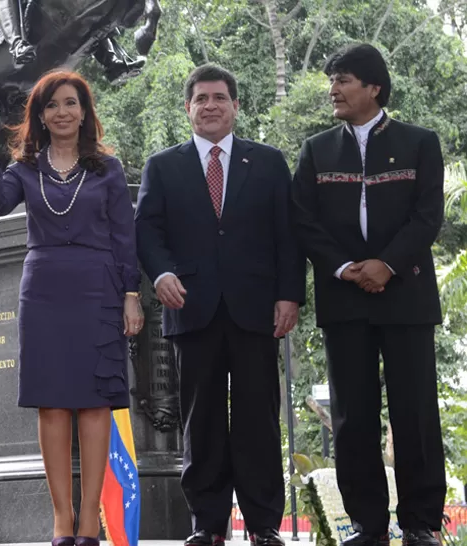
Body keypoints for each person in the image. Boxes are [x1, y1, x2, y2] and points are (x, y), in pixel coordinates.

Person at [0, 70, 143, 544]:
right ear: (40, 116)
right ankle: (61, 518)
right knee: (52, 405)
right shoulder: (25, 168)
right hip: (43, 291)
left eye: (70, 103)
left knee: (93, 404)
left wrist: (131, 295)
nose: (62, 112)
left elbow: (126, 237)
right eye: (52, 105)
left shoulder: (107, 168)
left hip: (99, 291)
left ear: (84, 112)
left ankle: (90, 520)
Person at [134, 64, 305, 546]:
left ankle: (263, 523)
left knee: (258, 417)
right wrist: (163, 272)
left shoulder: (268, 162)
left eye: (219, 97)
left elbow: (287, 236)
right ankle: (207, 524)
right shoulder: (163, 166)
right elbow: (147, 230)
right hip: (192, 308)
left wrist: (289, 293)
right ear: (187, 107)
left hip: (257, 311)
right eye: (200, 98)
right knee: (201, 419)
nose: (209, 105)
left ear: (235, 105)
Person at [290, 43, 445, 546]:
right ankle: (367, 525)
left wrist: (387, 265)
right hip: (345, 296)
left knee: (414, 411)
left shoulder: (420, 143)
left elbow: (427, 217)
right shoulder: (316, 150)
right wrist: (343, 268)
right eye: (332, 80)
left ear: (374, 87)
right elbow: (302, 220)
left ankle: (420, 523)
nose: (333, 89)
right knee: (352, 416)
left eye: (344, 79)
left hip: (406, 295)